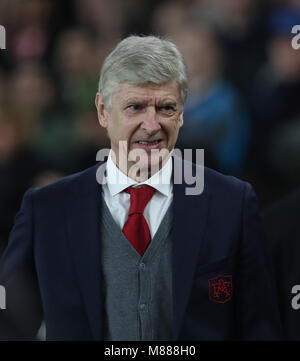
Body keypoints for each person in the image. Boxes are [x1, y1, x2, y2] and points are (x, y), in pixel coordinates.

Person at [0, 35, 281, 341]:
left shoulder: (232, 203)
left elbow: (260, 327)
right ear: (103, 111)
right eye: (135, 107)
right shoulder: (47, 208)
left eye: (166, 108)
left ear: (182, 113)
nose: (152, 125)